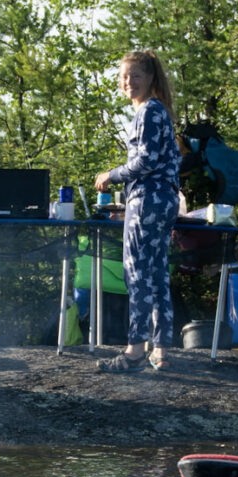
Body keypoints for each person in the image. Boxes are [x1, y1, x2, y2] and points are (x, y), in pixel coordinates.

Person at [93, 50, 183, 372]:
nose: (128, 82)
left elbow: (144, 161)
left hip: (147, 201)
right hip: (164, 201)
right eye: (124, 76)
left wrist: (110, 176)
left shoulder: (148, 111)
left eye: (135, 76)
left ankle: (134, 351)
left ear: (150, 79)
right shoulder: (160, 112)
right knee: (158, 276)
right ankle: (161, 351)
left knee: (138, 276)